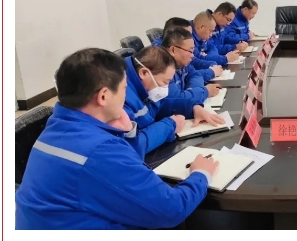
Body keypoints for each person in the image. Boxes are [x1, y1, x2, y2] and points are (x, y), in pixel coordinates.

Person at [15, 48, 219, 230]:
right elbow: (172, 209)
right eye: (123, 89)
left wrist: (126, 133)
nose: (125, 95)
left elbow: (120, 168)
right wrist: (201, 174)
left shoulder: (56, 126)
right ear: (103, 96)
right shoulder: (99, 151)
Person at [123, 46, 224, 155]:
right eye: (164, 82)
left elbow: (160, 105)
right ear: (144, 73)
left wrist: (193, 108)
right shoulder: (121, 97)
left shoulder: (144, 87)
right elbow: (130, 146)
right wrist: (170, 125)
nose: (165, 89)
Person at [161, 27, 222, 104]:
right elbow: (176, 100)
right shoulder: (161, 69)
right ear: (173, 50)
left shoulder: (182, 63)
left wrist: (193, 92)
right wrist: (204, 92)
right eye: (190, 51)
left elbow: (195, 74)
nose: (192, 55)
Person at [153, 16, 223, 82]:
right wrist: (211, 72)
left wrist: (212, 64)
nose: (190, 37)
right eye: (187, 34)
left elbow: (193, 63)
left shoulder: (182, 48)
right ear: (175, 34)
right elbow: (187, 77)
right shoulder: (160, 56)